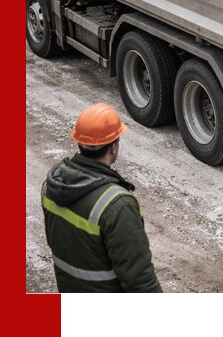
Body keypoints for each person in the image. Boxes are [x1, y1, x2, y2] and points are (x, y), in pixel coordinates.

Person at [41, 103, 162, 293]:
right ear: (114, 147)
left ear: (79, 142)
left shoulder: (51, 185)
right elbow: (140, 279)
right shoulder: (117, 205)